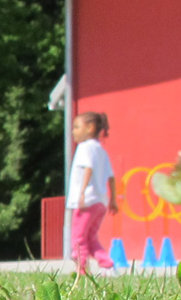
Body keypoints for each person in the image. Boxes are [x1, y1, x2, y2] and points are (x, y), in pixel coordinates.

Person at [66, 112, 118, 276]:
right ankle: (107, 265)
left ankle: (81, 269)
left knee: (78, 237)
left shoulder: (84, 147)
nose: (73, 131)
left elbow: (88, 168)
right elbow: (111, 177)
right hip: (100, 202)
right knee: (90, 238)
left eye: (76, 127)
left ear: (90, 128)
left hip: (86, 201)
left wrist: (81, 194)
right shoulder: (100, 150)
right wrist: (113, 200)